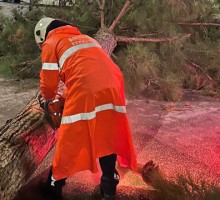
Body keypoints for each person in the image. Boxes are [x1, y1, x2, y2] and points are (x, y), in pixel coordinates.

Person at [34, 17, 137, 200]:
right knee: (108, 134)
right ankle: (109, 185)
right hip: (113, 84)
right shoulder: (87, 38)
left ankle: (54, 184)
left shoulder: (51, 41)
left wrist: (49, 100)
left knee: (71, 135)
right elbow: (86, 69)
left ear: (42, 36)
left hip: (86, 88)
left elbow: (49, 83)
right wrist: (65, 96)